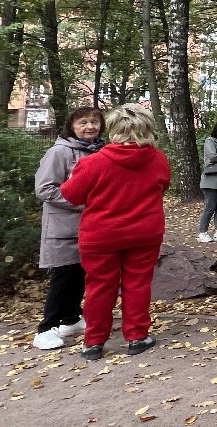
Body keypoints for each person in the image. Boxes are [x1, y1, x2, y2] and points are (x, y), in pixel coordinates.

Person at [60, 104, 172, 360]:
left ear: (113, 129)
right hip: (144, 232)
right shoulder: (158, 159)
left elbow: (71, 194)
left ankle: (94, 342)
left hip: (100, 235)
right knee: (138, 284)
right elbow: (163, 185)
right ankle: (137, 336)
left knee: (100, 286)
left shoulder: (94, 163)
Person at [32, 106, 105, 350]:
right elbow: (45, 189)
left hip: (92, 226)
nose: (90, 126)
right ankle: (46, 328)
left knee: (80, 274)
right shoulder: (59, 152)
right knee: (63, 276)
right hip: (64, 226)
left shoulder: (100, 151)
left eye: (94, 122)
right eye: (83, 122)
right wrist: (83, 204)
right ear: (71, 126)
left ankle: (71, 318)